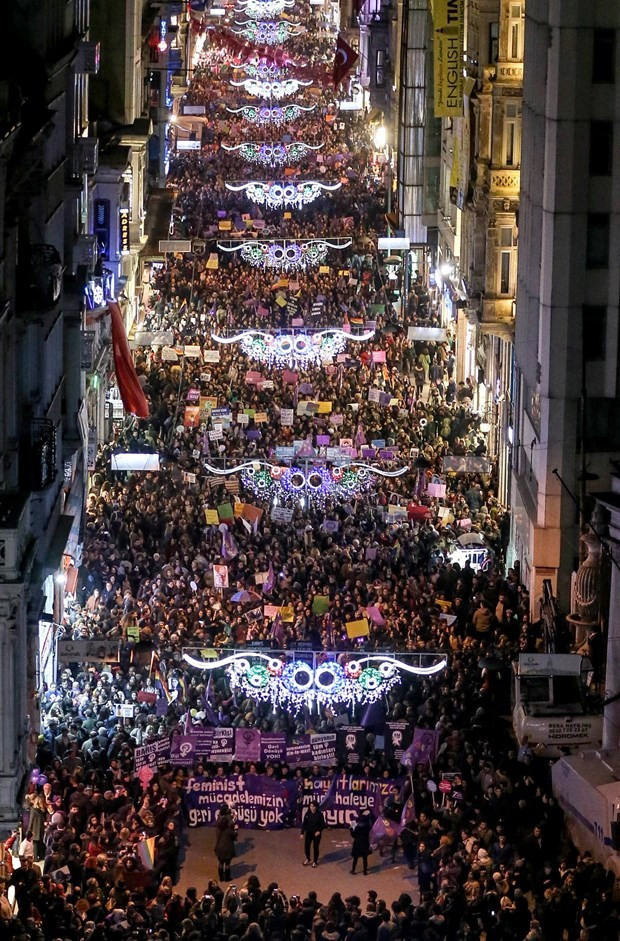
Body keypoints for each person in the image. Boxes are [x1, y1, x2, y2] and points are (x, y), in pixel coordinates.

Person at [214, 804, 237, 882]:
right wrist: (236, 830)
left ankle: (221, 878)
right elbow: (234, 837)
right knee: (227, 864)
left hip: (219, 848)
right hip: (228, 849)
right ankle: (227, 878)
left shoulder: (218, 829)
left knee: (220, 863)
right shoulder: (229, 831)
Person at [300, 799, 325, 868]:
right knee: (306, 847)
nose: (312, 808)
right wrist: (302, 833)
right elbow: (304, 824)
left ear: (316, 807)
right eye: (311, 806)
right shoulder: (307, 814)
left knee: (315, 847)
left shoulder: (319, 814)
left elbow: (323, 825)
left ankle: (315, 861)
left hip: (316, 834)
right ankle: (308, 858)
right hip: (308, 833)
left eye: (313, 806)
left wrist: (319, 831)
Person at [350, 810, 372, 875]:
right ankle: (365, 871)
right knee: (365, 858)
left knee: (355, 858)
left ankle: (353, 870)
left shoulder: (357, 828)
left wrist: (351, 828)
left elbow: (353, 835)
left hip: (357, 844)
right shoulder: (367, 827)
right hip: (365, 844)